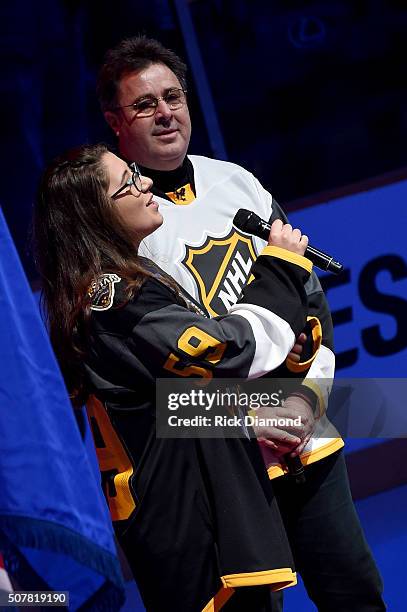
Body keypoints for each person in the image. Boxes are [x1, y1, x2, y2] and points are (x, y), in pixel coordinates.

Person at [96, 36, 386, 611]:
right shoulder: (122, 225)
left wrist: (306, 401)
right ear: (114, 122)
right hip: (223, 463)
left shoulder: (237, 182)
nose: (165, 113)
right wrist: (247, 424)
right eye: (144, 105)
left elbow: (309, 300)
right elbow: (156, 377)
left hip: (306, 435)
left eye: (173, 96)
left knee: (357, 593)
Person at [33, 143, 324, 612]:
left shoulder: (121, 280)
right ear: (93, 217)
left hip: (202, 507)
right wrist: (279, 269)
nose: (145, 182)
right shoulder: (113, 298)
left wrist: (245, 417)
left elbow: (159, 404)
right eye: (128, 183)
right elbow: (222, 351)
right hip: (186, 524)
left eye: (133, 173)